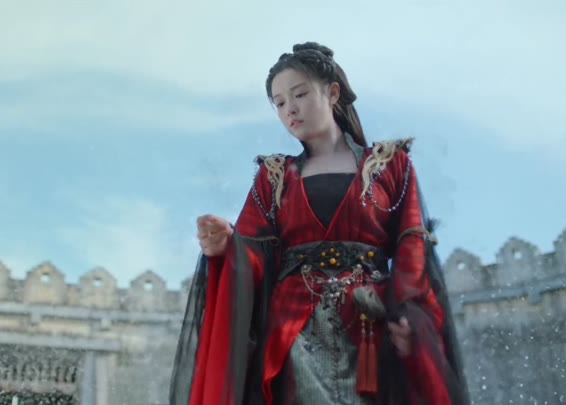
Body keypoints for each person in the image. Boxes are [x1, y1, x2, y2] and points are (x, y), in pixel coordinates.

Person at [169, 42, 469, 405]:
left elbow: (412, 248)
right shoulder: (274, 176)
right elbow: (252, 255)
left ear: (333, 93)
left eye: (300, 94)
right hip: (294, 331)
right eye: (279, 103)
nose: (290, 109)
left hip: (370, 325)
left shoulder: (390, 165)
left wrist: (409, 315)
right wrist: (226, 244)